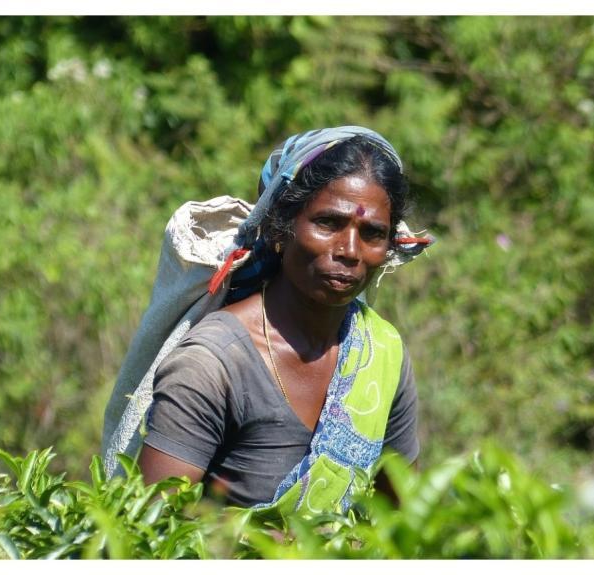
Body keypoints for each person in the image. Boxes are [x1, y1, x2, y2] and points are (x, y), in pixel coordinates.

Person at [137, 127, 429, 515]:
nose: (349, 251)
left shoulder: (381, 353)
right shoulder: (212, 365)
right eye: (328, 223)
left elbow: (401, 520)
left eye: (372, 233)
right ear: (280, 227)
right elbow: (149, 535)